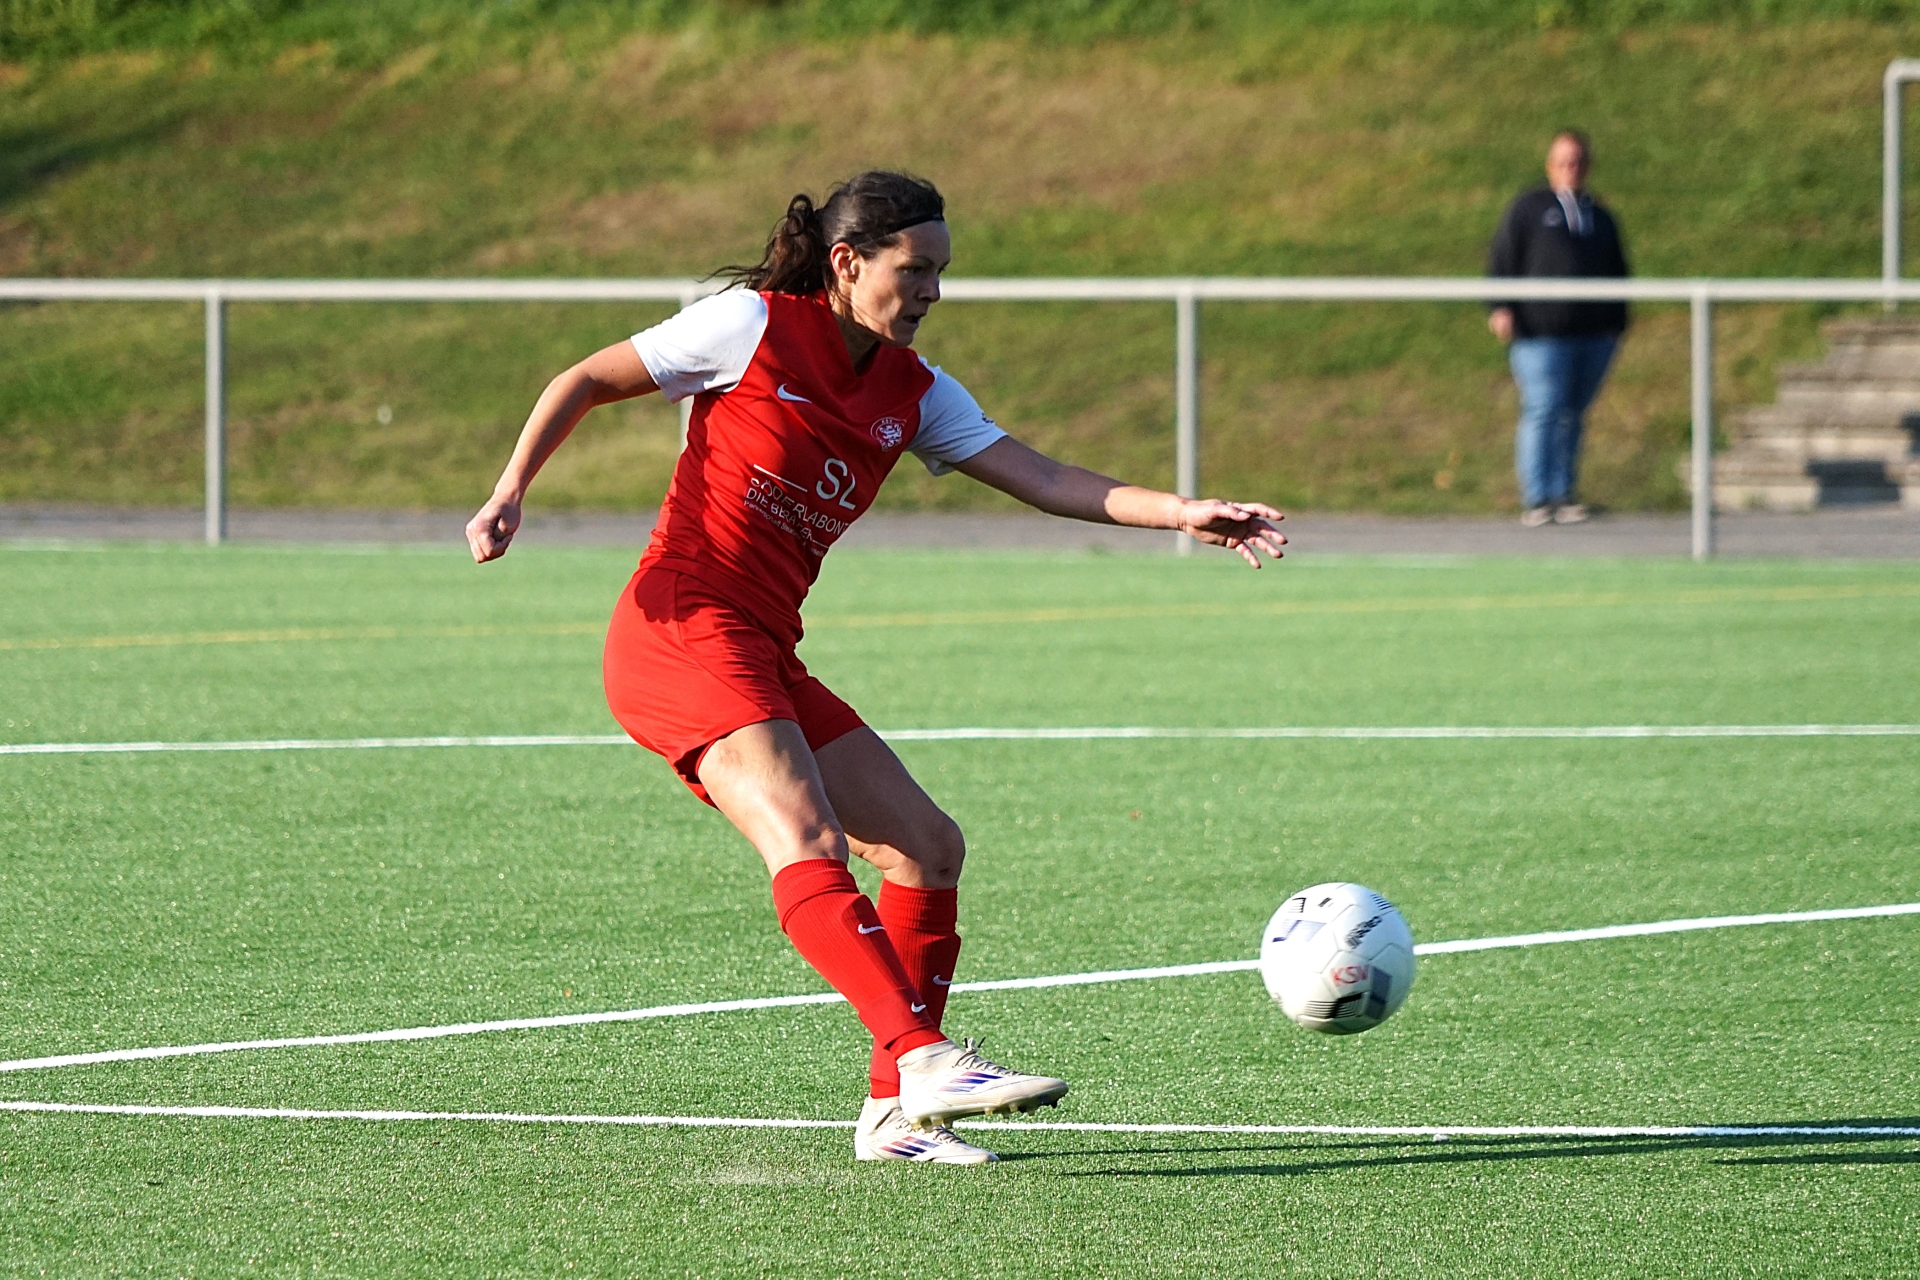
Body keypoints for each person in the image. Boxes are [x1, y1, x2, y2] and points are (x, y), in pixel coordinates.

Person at [466, 171, 1287, 1166]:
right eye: (917, 269)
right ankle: (921, 1056)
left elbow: (1044, 476)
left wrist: (1184, 512)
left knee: (925, 848)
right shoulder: (750, 327)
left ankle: (894, 1115)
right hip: (681, 626)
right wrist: (511, 488)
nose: (933, 290)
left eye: (943, 272)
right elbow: (587, 378)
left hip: (764, 646)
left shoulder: (915, 390)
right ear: (848, 263)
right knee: (807, 834)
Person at [1487, 129, 1631, 527]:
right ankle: (1538, 498)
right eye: (1564, 160)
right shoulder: (1529, 208)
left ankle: (1564, 493)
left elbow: (1618, 270)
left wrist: (1617, 323)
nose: (1572, 168)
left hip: (1592, 335)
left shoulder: (1599, 215)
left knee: (1573, 414)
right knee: (1544, 408)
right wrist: (1500, 306)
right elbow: (1502, 256)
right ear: (1550, 165)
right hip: (1540, 334)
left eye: (1579, 161)